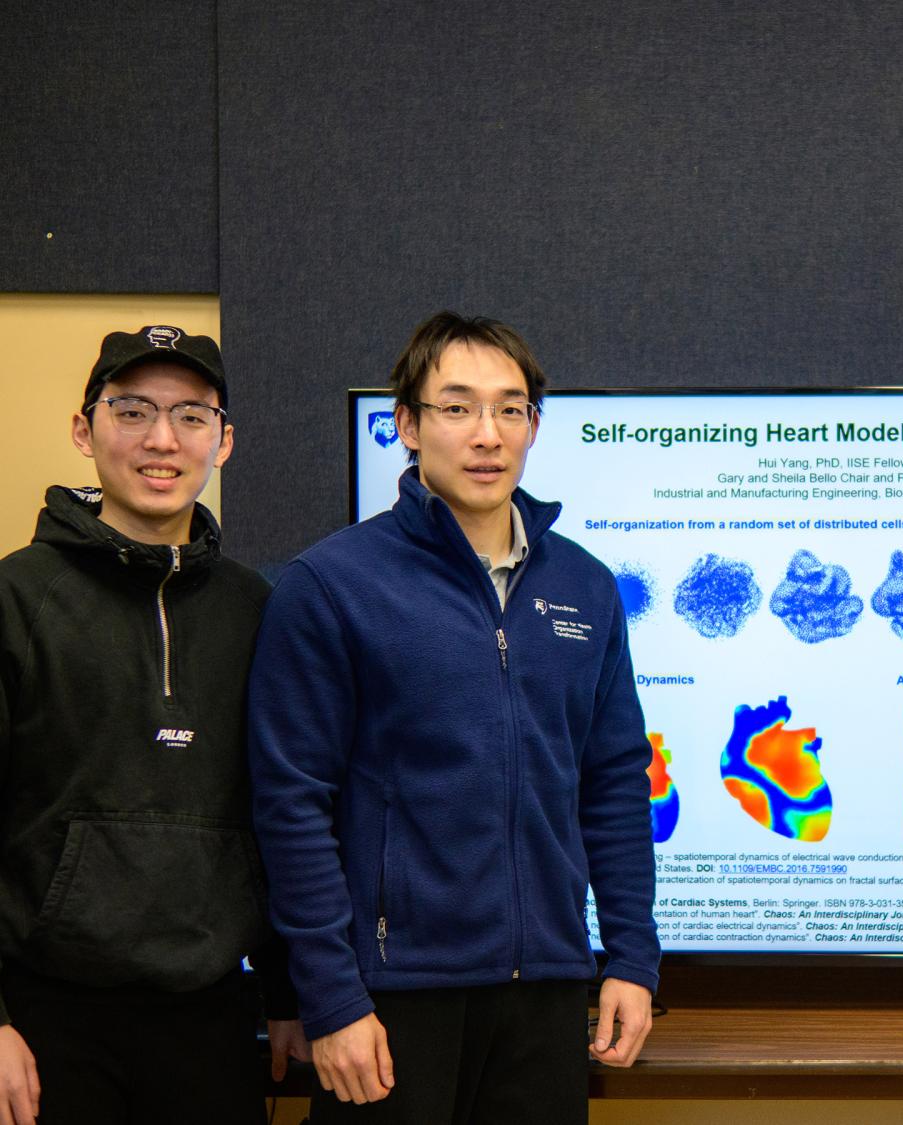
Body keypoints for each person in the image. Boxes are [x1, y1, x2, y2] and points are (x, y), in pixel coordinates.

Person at [249, 311, 659, 1123]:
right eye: (457, 406)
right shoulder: (332, 585)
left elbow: (613, 785)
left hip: (545, 993)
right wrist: (328, 995)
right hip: (393, 1000)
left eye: (512, 409)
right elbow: (290, 805)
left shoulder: (584, 585)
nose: (488, 434)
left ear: (534, 427)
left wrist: (632, 960)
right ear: (406, 424)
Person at [0, 325, 307, 1125]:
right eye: (132, 411)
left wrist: (286, 989)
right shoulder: (17, 599)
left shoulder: (257, 611)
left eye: (191, 416)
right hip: (45, 1017)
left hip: (210, 1013)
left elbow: (278, 812)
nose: (162, 440)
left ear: (224, 440)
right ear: (83, 428)